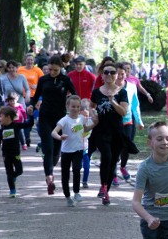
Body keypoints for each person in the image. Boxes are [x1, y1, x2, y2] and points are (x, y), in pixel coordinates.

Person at [28, 55, 77, 195]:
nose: (52, 72)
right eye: (50, 69)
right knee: (48, 147)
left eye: (55, 70)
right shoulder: (43, 79)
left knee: (56, 151)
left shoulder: (65, 80)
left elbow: (75, 94)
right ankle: (49, 178)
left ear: (61, 68)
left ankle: (50, 166)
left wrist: (78, 108)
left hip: (60, 119)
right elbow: (35, 97)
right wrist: (31, 106)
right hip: (45, 118)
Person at [88, 61, 128, 206]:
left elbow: (124, 112)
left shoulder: (122, 92)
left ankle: (106, 190)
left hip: (116, 132)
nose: (109, 75)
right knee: (107, 156)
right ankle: (104, 185)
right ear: (102, 76)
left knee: (112, 162)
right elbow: (91, 106)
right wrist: (93, 113)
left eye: (112, 72)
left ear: (117, 75)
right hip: (101, 130)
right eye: (106, 72)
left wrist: (113, 102)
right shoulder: (97, 92)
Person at [52, 95, 96, 206]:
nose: (75, 109)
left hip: (78, 150)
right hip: (66, 151)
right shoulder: (64, 120)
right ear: (68, 106)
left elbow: (85, 129)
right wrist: (60, 137)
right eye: (73, 106)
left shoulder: (81, 118)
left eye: (77, 107)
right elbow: (53, 132)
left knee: (77, 169)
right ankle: (67, 197)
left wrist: (94, 124)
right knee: (65, 175)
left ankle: (76, 192)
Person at [0, 106, 33, 197]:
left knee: (19, 170)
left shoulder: (16, 126)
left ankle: (13, 177)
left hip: (16, 154)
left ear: (8, 117)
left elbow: (29, 124)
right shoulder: (1, 130)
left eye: (1, 116)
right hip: (6, 155)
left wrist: (31, 115)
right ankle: (12, 190)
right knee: (9, 172)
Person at [116, 63, 143, 184]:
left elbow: (135, 105)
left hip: (128, 121)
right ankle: (112, 172)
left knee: (126, 146)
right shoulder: (110, 87)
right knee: (115, 147)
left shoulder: (132, 86)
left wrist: (139, 121)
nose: (121, 76)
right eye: (118, 74)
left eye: (123, 73)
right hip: (114, 122)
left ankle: (123, 167)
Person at [0, 59, 33, 146]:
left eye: (13, 67)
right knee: (8, 123)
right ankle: (10, 142)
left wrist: (28, 96)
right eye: (9, 68)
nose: (11, 69)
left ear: (16, 68)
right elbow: (2, 92)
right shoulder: (4, 79)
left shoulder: (21, 77)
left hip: (20, 103)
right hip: (8, 105)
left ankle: (23, 141)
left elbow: (27, 89)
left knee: (19, 123)